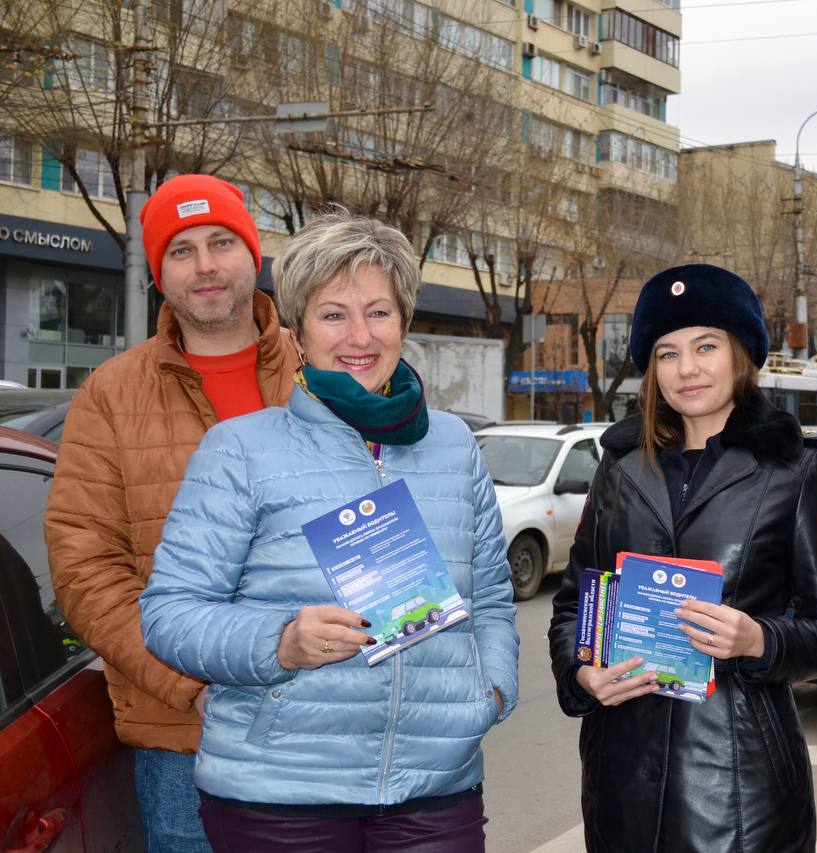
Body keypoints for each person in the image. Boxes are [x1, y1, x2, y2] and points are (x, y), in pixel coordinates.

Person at [138, 211, 518, 852]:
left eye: (379, 311)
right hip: (281, 794)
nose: (359, 335)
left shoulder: (454, 444)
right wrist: (280, 643)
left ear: (403, 323)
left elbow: (493, 600)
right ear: (297, 331)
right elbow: (168, 615)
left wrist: (491, 692)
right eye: (333, 314)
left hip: (435, 788)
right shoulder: (239, 450)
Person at [548, 263, 817, 853]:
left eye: (705, 346)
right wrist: (582, 673)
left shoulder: (798, 469)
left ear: (741, 355)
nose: (686, 369)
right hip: (621, 777)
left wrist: (757, 639)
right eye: (667, 353)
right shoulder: (619, 466)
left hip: (740, 786)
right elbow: (571, 607)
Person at [45, 174, 299, 852]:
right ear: (158, 273)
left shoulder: (322, 368)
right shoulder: (109, 394)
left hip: (329, 724)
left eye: (221, 241)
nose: (206, 264)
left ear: (254, 253)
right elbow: (84, 566)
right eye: (181, 250)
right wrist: (188, 686)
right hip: (186, 743)